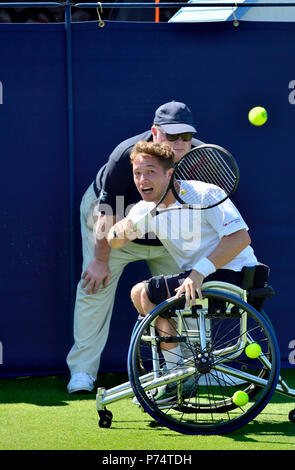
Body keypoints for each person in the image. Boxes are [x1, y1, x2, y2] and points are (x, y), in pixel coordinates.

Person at [107, 140, 262, 404]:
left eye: (150, 172)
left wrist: (198, 273)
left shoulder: (204, 194)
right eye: (137, 173)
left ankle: (178, 376)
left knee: (143, 292)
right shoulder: (147, 208)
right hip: (204, 280)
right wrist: (122, 228)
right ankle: (178, 372)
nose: (142, 179)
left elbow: (239, 238)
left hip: (235, 276)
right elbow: (114, 240)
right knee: (142, 295)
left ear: (170, 173)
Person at [66, 101, 204, 393]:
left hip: (167, 233)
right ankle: (82, 372)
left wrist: (196, 267)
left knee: (187, 294)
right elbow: (107, 212)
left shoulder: (202, 159)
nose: (180, 143)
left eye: (186, 137)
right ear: (155, 132)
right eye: (172, 136)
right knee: (94, 286)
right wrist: (100, 260)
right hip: (116, 225)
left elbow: (201, 216)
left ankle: (190, 369)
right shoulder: (125, 156)